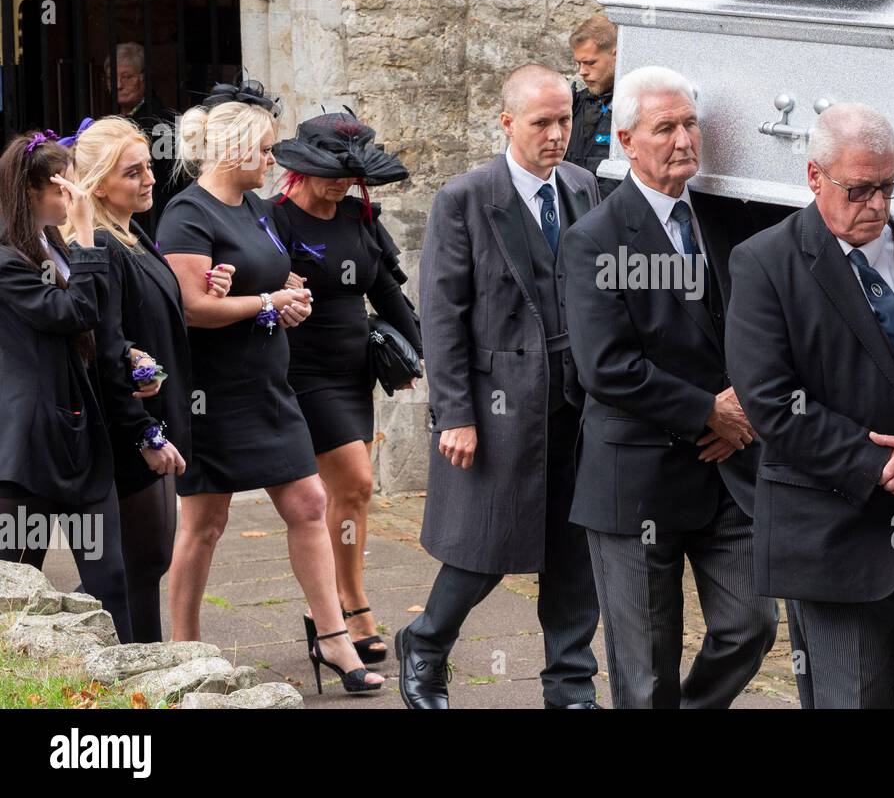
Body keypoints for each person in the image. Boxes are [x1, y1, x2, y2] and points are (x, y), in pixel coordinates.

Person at [725, 103, 894, 708]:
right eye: (858, 190)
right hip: (832, 526)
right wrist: (884, 465)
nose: (877, 205)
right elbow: (771, 401)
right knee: (853, 698)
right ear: (813, 177)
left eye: (887, 186)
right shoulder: (764, 264)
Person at [560, 64, 779, 709]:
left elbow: (765, 326)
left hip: (729, 471)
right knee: (644, 668)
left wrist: (747, 403)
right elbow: (604, 366)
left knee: (751, 627)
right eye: (665, 128)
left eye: (691, 125)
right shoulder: (594, 238)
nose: (684, 140)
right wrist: (706, 411)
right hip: (638, 479)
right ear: (626, 141)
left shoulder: (727, 220)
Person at [157, 79, 382, 694]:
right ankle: (183, 644)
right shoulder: (187, 214)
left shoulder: (257, 209)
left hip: (268, 384)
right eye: (263, 148)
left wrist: (293, 300)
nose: (272, 159)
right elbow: (192, 309)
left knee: (310, 504)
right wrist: (266, 301)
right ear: (232, 152)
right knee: (205, 521)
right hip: (213, 391)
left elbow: (278, 274)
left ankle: (334, 638)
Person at [395, 64, 602, 710]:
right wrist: (454, 412)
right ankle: (426, 646)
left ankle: (570, 684)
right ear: (508, 121)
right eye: (542, 122)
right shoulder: (466, 196)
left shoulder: (583, 186)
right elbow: (443, 312)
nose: (556, 133)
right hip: (499, 403)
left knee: (577, 549)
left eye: (564, 119)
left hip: (578, 402)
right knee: (484, 545)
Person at [269, 111, 422, 664]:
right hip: (300, 372)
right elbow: (249, 286)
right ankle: (352, 604)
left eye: (348, 174)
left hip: (355, 370)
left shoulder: (359, 216)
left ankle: (327, 608)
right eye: (328, 171)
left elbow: (386, 292)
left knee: (350, 493)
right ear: (299, 169)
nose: (339, 182)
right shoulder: (275, 220)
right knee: (356, 481)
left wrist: (420, 353)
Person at [72, 116, 230, 643]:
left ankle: (144, 662)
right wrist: (144, 431)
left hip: (155, 416)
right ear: (97, 183)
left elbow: (154, 311)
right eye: (132, 172)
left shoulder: (131, 230)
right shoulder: (98, 241)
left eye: (148, 167)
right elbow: (108, 344)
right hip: (128, 430)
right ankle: (137, 668)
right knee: (138, 561)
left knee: (146, 558)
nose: (149, 180)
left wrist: (212, 283)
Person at [0, 130, 133, 641]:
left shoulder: (50, 242)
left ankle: (126, 682)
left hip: (77, 435)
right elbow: (71, 311)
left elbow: (95, 313)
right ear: (31, 190)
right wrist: (85, 237)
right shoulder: (7, 259)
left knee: (109, 575)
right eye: (64, 188)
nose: (74, 197)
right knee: (18, 577)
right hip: (29, 448)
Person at [103, 43, 183, 237]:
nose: (119, 84)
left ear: (143, 78)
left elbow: (167, 179)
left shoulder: (161, 120)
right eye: (112, 78)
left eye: (127, 77)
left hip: (153, 220)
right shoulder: (115, 119)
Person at [564, 14, 619, 198]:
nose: (582, 72)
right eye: (579, 63)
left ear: (617, 54)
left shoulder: (637, 109)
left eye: (590, 63)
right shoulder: (572, 106)